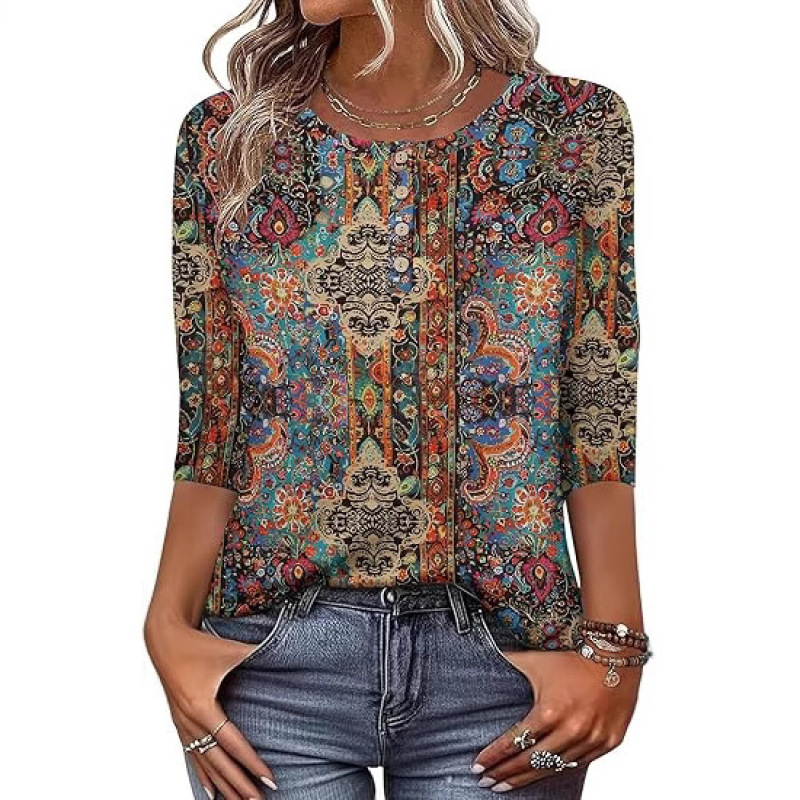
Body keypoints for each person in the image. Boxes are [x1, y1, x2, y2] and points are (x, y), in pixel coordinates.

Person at [144, 1, 650, 798]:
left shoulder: (574, 129)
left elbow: (599, 399)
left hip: (508, 664)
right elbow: (213, 415)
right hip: (267, 664)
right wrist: (166, 630)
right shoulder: (227, 138)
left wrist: (615, 649)